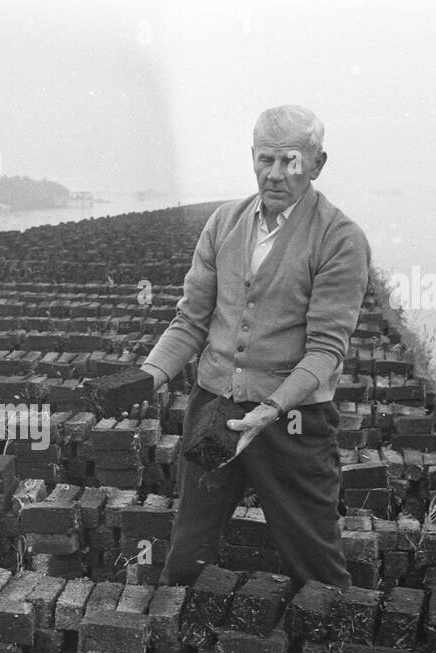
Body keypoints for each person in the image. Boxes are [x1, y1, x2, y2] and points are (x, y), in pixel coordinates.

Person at [140, 105, 371, 589]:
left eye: (291, 161)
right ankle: (177, 644)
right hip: (214, 410)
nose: (276, 174)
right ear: (252, 157)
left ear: (317, 164)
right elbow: (190, 321)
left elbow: (327, 350)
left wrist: (271, 407)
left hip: (291, 421)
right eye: (266, 160)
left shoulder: (339, 238)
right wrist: (147, 376)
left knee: (315, 564)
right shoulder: (224, 223)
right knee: (187, 553)